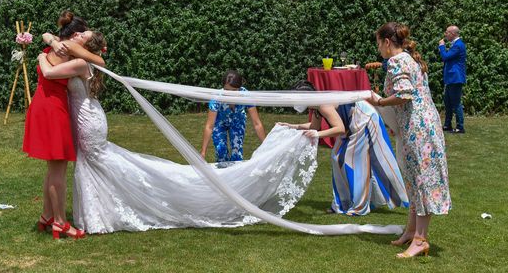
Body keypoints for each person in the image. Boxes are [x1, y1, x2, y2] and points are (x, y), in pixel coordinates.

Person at [37, 38, 320, 233]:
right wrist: (52, 39)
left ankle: (86, 215)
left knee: (101, 163)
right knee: (97, 165)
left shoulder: (81, 63)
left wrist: (39, 50)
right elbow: (210, 125)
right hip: (90, 117)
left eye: (79, 37)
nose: (72, 39)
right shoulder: (86, 62)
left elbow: (49, 71)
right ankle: (81, 214)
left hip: (90, 120)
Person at [366, 22, 451, 258]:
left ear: (386, 42)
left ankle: (421, 239)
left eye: (378, 44)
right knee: (414, 180)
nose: (379, 49)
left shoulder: (396, 61)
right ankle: (411, 232)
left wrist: (380, 102)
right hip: (421, 124)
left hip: (419, 128)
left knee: (422, 180)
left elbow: (404, 94)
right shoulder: (408, 59)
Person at [22, 11, 104, 240]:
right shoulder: (68, 50)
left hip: (40, 104)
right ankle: (60, 222)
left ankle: (47, 216)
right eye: (85, 36)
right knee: (58, 168)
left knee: (52, 167)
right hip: (54, 109)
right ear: (76, 36)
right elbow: (99, 60)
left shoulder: (54, 46)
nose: (87, 42)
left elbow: (46, 37)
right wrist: (47, 44)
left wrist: (43, 50)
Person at [278, 81, 408, 216]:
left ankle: (359, 206)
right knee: (337, 158)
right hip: (351, 122)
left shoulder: (323, 105)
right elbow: (314, 126)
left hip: (363, 120)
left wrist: (318, 135)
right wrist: (293, 126)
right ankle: (343, 203)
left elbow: (338, 129)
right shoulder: (316, 106)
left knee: (353, 163)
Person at [200, 70, 266, 162]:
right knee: (221, 151)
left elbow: (256, 123)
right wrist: (203, 152)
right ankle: (223, 174)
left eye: (234, 91)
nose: (230, 94)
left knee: (237, 152)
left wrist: (266, 145)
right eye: (227, 90)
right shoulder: (216, 98)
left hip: (237, 121)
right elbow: (209, 126)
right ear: (223, 88)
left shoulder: (246, 96)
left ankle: (236, 175)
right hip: (220, 123)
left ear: (240, 87)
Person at [438, 25, 467, 133]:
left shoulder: (458, 45)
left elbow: (445, 56)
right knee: (448, 102)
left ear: (453, 34)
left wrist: (441, 46)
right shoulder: (455, 44)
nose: (445, 34)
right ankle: (447, 124)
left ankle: (460, 126)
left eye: (447, 32)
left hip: (456, 78)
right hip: (451, 78)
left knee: (456, 102)